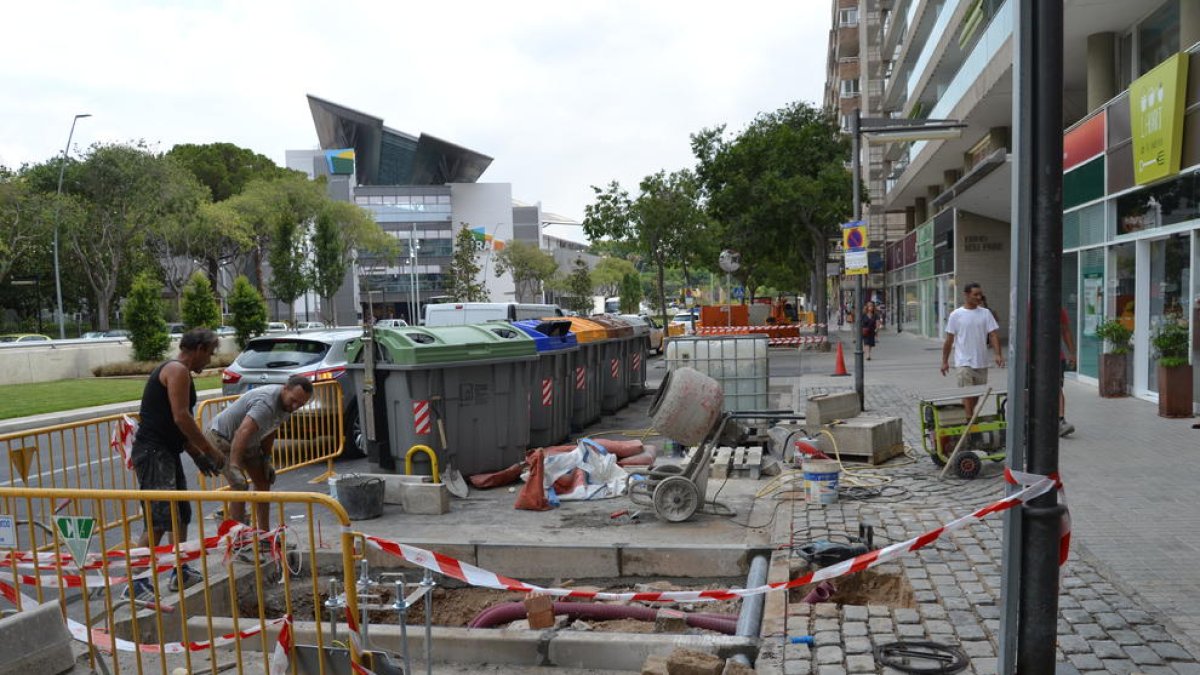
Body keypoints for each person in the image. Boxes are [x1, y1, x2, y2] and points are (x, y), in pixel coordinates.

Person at [126, 328, 225, 600]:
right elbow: (181, 418)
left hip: (166, 450)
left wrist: (196, 455)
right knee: (159, 519)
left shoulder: (181, 373)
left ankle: (179, 571)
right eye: (210, 353)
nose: (210, 360)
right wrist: (209, 449)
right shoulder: (177, 370)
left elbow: (174, 427)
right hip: (153, 451)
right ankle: (136, 583)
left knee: (179, 514)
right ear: (199, 349)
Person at [204, 375, 314, 529]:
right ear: (285, 389)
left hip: (248, 441)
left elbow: (270, 430)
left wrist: (266, 459)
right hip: (221, 437)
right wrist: (235, 466)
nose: (296, 406)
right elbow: (242, 432)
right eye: (294, 400)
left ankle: (263, 534)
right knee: (239, 486)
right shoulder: (266, 403)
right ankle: (238, 538)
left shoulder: (286, 405)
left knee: (263, 481)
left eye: (301, 404)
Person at [940, 283, 1005, 419]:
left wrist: (998, 354)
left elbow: (993, 334)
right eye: (975, 294)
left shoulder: (985, 313)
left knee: (976, 395)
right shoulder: (956, 315)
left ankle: (965, 417)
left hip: (981, 361)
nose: (979, 297)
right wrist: (944, 361)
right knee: (968, 394)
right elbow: (949, 340)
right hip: (964, 362)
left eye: (980, 294)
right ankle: (970, 424)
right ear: (966, 295)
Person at [1058, 307, 1076, 437]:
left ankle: (1060, 421)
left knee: (1057, 388)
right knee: (1028, 390)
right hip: (1029, 357)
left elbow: (1066, 331)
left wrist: (1072, 353)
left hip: (1056, 357)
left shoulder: (1058, 309)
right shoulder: (1025, 307)